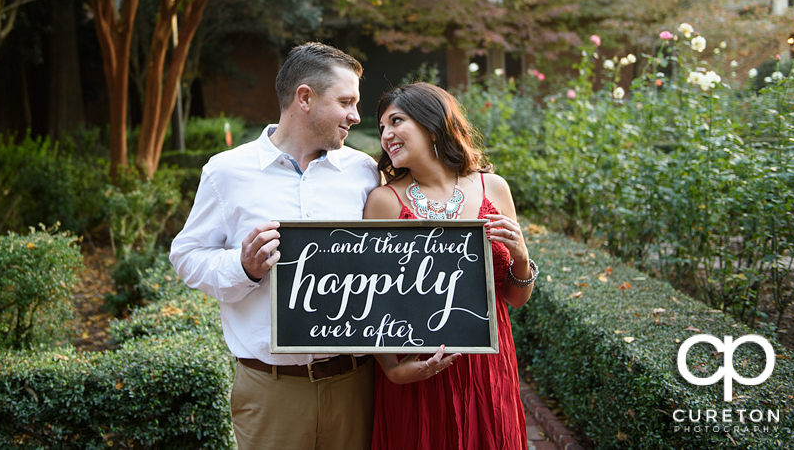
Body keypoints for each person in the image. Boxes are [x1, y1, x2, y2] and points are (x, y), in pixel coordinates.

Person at [170, 42, 380, 450]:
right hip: (271, 391)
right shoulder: (226, 171)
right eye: (346, 102)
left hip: (357, 384)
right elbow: (186, 257)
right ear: (305, 98)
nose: (356, 115)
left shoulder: (364, 172)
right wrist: (243, 267)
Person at [365, 82, 537, 450]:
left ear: (433, 122)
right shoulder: (383, 202)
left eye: (396, 121)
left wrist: (521, 257)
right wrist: (393, 371)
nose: (386, 135)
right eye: (382, 128)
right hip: (417, 367)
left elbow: (515, 299)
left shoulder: (494, 188)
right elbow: (371, 303)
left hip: (486, 364)